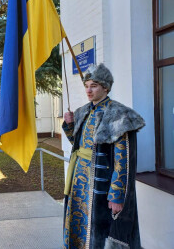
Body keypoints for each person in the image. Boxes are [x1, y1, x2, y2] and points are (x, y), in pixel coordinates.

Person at [62, 64, 145, 249]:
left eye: (94, 86)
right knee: (79, 229)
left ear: (105, 87)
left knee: (99, 235)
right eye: (86, 86)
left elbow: (123, 160)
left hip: (100, 187)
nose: (89, 90)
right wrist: (69, 126)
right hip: (78, 183)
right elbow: (78, 144)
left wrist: (116, 195)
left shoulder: (118, 115)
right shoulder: (83, 111)